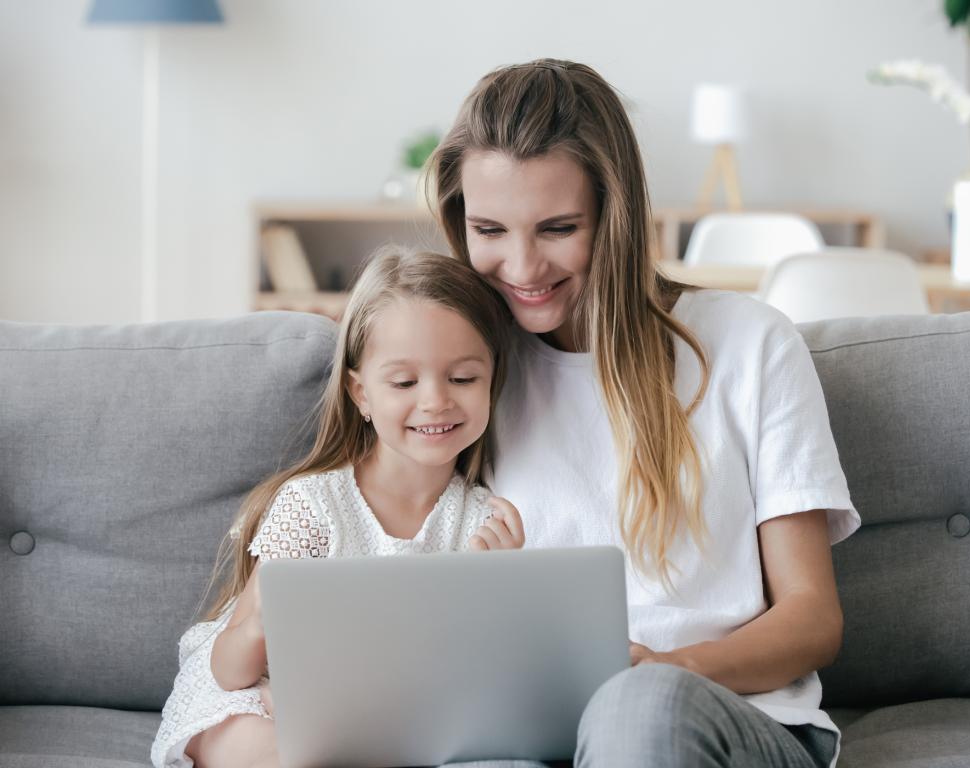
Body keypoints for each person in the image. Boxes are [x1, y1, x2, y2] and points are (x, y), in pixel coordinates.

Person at [427, 59, 861, 768]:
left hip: (726, 715)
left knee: (639, 706)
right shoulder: (464, 374)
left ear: (616, 215)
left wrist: (672, 667)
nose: (523, 267)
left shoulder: (751, 344)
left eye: (558, 227)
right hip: (535, 731)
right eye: (490, 230)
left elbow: (813, 618)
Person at [150, 247, 526, 768]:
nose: (436, 401)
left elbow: (478, 681)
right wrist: (262, 622)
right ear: (361, 393)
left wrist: (500, 588)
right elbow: (228, 672)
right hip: (256, 696)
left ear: (492, 381)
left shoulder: (484, 523)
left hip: (380, 715)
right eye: (403, 382)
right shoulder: (313, 505)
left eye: (463, 378)